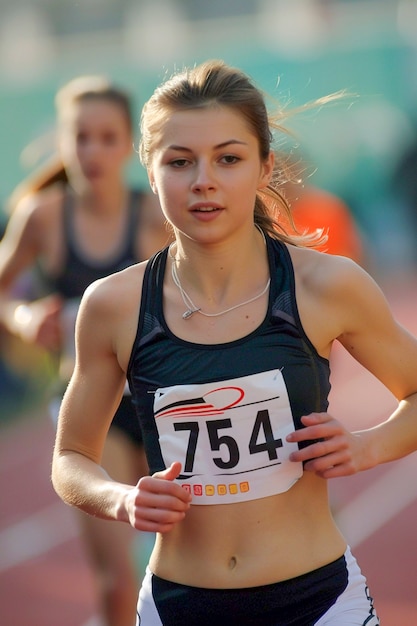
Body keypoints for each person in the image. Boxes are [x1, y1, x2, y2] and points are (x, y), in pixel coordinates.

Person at [51, 60, 417, 626]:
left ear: (265, 166)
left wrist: (366, 446)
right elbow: (71, 457)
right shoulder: (114, 307)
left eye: (228, 158)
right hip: (180, 606)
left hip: (319, 604)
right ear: (150, 173)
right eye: (179, 162)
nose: (204, 180)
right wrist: (121, 499)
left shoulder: (327, 286)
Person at [0, 76, 170, 626]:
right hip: (88, 409)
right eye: (80, 136)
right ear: (62, 141)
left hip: (164, 400)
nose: (92, 151)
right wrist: (24, 316)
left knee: (204, 564)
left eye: (106, 137)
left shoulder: (154, 217)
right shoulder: (44, 218)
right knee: (113, 583)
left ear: (128, 147)